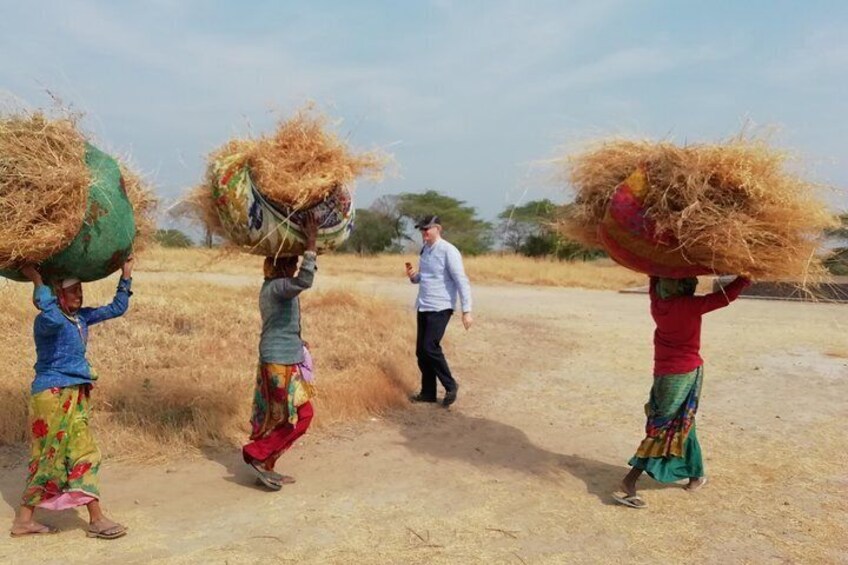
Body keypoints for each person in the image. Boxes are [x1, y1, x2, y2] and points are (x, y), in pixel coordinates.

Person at [12, 257, 135, 539]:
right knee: (48, 458)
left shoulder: (81, 319)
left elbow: (118, 307)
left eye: (80, 290)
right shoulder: (48, 321)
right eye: (73, 291)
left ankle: (94, 518)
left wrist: (126, 274)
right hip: (51, 395)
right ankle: (26, 520)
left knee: (82, 452)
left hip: (74, 392)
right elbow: (51, 313)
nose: (79, 296)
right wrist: (38, 281)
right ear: (59, 295)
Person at [614, 275, 751, 509]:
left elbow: (654, 278)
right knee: (664, 426)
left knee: (684, 422)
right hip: (683, 373)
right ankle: (629, 481)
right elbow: (724, 298)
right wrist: (745, 278)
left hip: (663, 372)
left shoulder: (657, 303)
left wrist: (657, 265)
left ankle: (696, 475)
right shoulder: (688, 306)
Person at [242, 214, 319, 491]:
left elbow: (282, 322)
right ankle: (256, 454)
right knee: (292, 416)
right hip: (279, 362)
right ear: (282, 266)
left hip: (285, 357)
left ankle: (267, 463)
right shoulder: (278, 287)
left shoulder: (273, 288)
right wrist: (311, 241)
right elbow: (306, 280)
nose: (296, 265)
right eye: (292, 262)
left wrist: (299, 341)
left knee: (284, 416)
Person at [405, 214, 473, 407]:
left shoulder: (448, 251)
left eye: (427, 229)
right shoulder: (425, 250)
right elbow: (425, 278)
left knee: (430, 347)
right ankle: (428, 393)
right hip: (424, 305)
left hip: (441, 306)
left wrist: (466, 311)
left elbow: (462, 281)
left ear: (438, 229)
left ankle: (451, 385)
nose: (424, 233)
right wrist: (414, 277)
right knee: (421, 351)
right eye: (422, 229)